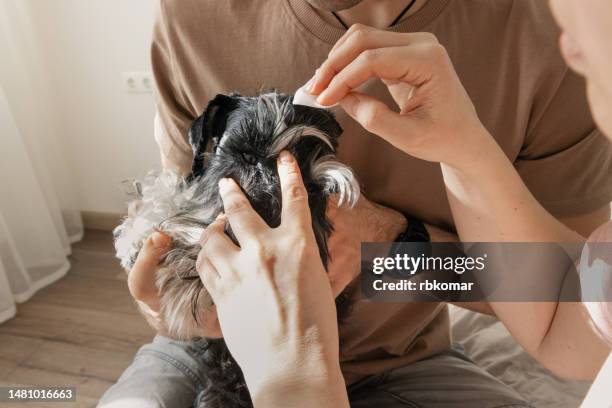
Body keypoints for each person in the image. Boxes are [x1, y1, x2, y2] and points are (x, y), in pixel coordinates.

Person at [99, 0, 612, 406]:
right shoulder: (191, 16)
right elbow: (173, 221)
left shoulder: (556, 35)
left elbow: (563, 303)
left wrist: (390, 249)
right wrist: (170, 306)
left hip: (397, 363)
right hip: (207, 351)